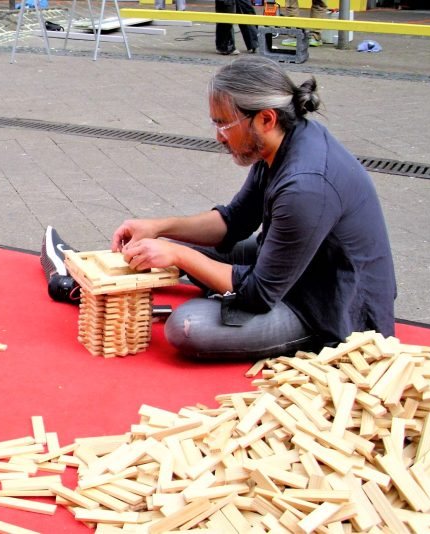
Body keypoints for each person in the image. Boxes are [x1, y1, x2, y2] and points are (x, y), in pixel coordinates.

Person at [110, 56, 396, 360]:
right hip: (292, 269)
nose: (218, 136)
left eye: (224, 124)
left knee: (187, 325)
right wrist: (158, 228)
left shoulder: (305, 186)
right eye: (215, 123)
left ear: (266, 119)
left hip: (330, 304)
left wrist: (182, 256)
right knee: (166, 245)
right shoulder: (282, 143)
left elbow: (258, 293)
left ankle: (301, 334)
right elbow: (234, 222)